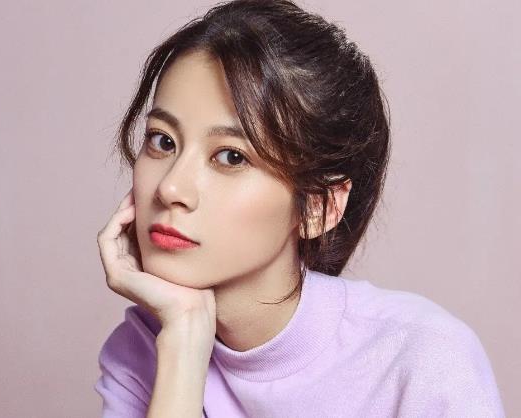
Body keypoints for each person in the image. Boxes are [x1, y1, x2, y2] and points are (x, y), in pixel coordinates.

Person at [94, 0, 505, 416]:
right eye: (163, 141)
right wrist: (183, 339)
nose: (170, 188)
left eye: (232, 157)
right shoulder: (143, 350)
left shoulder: (425, 359)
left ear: (318, 207)